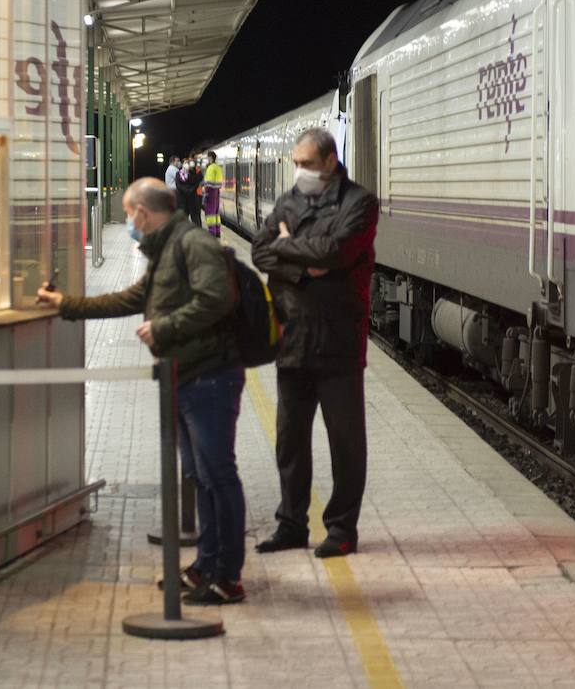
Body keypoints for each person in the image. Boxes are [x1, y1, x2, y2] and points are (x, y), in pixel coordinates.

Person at [37, 178, 248, 604]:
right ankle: (206, 564)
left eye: (130, 213)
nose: (128, 221)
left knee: (217, 476)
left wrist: (165, 327)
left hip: (210, 376)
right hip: (184, 376)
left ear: (143, 213)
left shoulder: (191, 244)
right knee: (198, 476)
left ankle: (228, 575)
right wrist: (68, 305)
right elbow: (136, 297)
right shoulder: (165, 248)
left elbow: (218, 297)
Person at [250, 128, 378, 558]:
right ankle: (291, 524)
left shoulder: (359, 203)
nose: (299, 171)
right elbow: (260, 251)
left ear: (329, 161)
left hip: (338, 341)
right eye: (296, 163)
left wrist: (290, 247)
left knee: (344, 441)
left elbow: (336, 253)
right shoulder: (288, 200)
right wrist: (304, 270)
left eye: (306, 163)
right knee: (289, 438)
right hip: (292, 338)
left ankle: (342, 529)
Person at [202, 151, 224, 238]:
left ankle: (212, 232)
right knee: (216, 212)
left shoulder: (211, 168)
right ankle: (217, 231)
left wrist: (204, 190)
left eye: (208, 158)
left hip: (210, 192)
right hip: (217, 191)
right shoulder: (218, 167)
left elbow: (208, 182)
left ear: (210, 158)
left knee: (210, 212)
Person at [177, 156, 203, 226]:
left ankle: (198, 233)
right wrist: (189, 190)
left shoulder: (194, 173)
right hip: (183, 201)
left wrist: (189, 190)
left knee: (195, 218)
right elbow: (179, 186)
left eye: (187, 163)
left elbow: (197, 182)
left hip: (193, 200)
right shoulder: (178, 173)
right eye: (185, 163)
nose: (186, 165)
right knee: (184, 218)